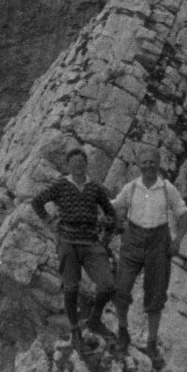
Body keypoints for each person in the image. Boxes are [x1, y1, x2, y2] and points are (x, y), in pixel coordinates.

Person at [30, 146, 116, 349]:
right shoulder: (61, 185)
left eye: (82, 162)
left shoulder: (94, 188)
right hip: (67, 242)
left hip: (91, 243)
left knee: (108, 285)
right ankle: (75, 330)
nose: (78, 165)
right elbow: (37, 202)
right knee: (71, 287)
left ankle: (94, 320)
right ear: (68, 165)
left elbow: (111, 214)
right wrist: (50, 222)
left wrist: (104, 237)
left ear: (86, 165)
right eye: (74, 162)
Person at [111, 146, 187, 366]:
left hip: (158, 244)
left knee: (156, 296)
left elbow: (184, 216)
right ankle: (123, 332)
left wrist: (177, 241)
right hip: (132, 241)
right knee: (121, 289)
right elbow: (115, 206)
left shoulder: (167, 189)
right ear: (139, 165)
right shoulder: (131, 188)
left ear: (159, 163)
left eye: (152, 162)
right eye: (144, 162)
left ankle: (151, 344)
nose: (148, 166)